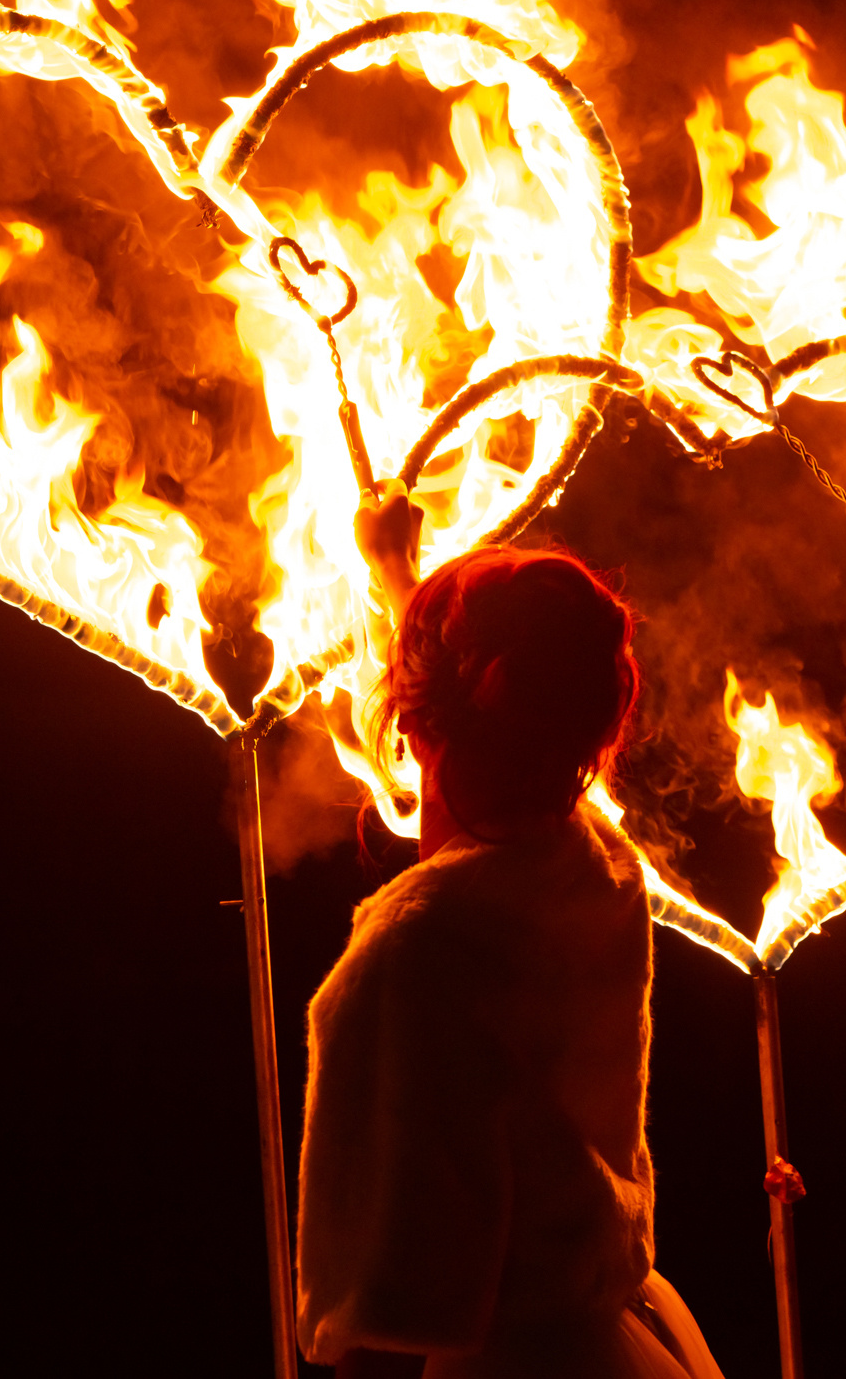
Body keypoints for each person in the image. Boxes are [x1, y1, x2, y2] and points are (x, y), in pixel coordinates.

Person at [293, 489, 724, 1379]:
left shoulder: (417, 949)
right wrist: (395, 582)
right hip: (623, 1341)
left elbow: (390, 1304)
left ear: (411, 725)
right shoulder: (596, 864)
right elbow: (510, 709)